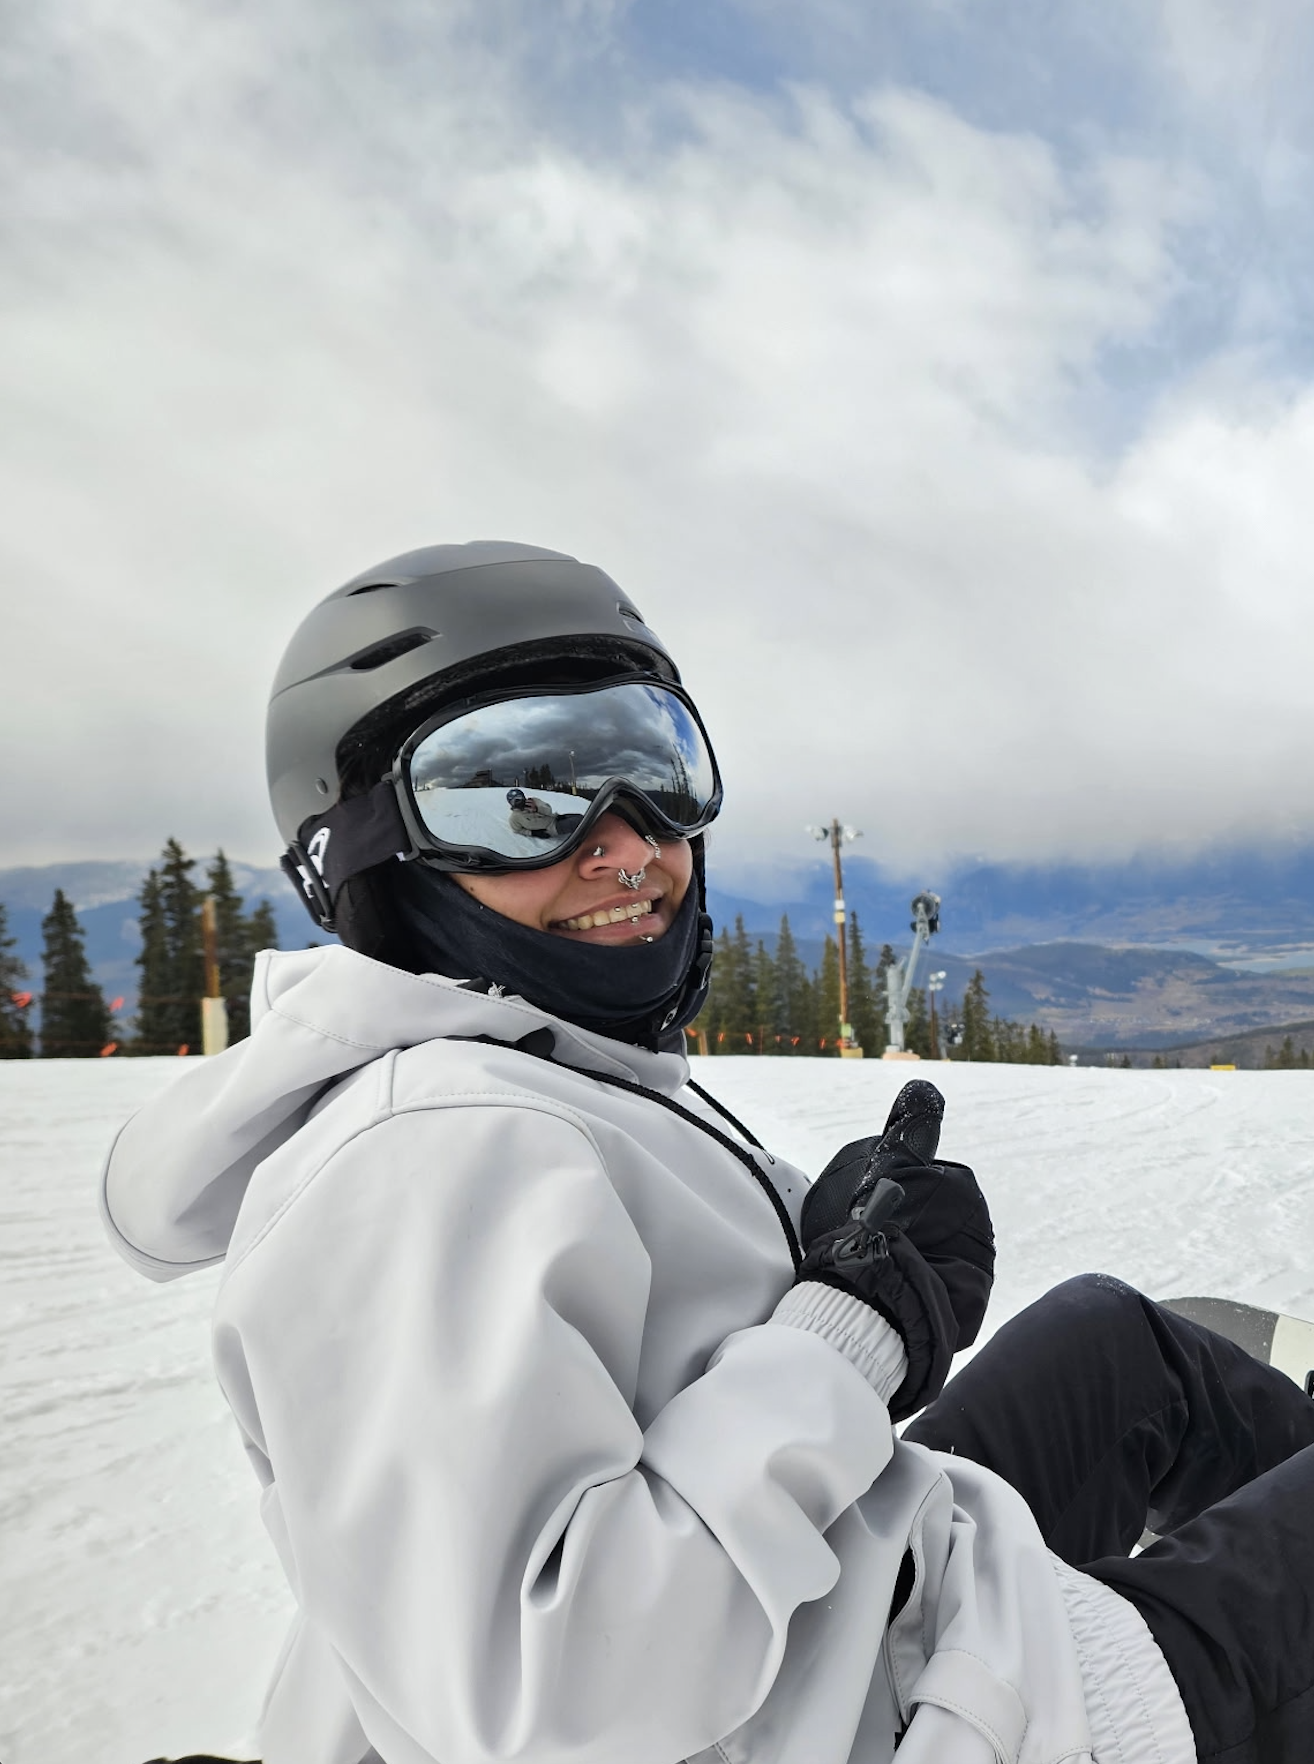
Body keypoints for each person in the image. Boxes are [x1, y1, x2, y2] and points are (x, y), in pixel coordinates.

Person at [101, 541, 1314, 1764]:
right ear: (369, 854)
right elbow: (558, 1698)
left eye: (652, 770)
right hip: (910, 1718)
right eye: (516, 801)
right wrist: (847, 1330)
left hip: (865, 1610)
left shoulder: (526, 1074)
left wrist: (830, 1259)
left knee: (1113, 1346)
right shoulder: (418, 1161)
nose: (626, 847)